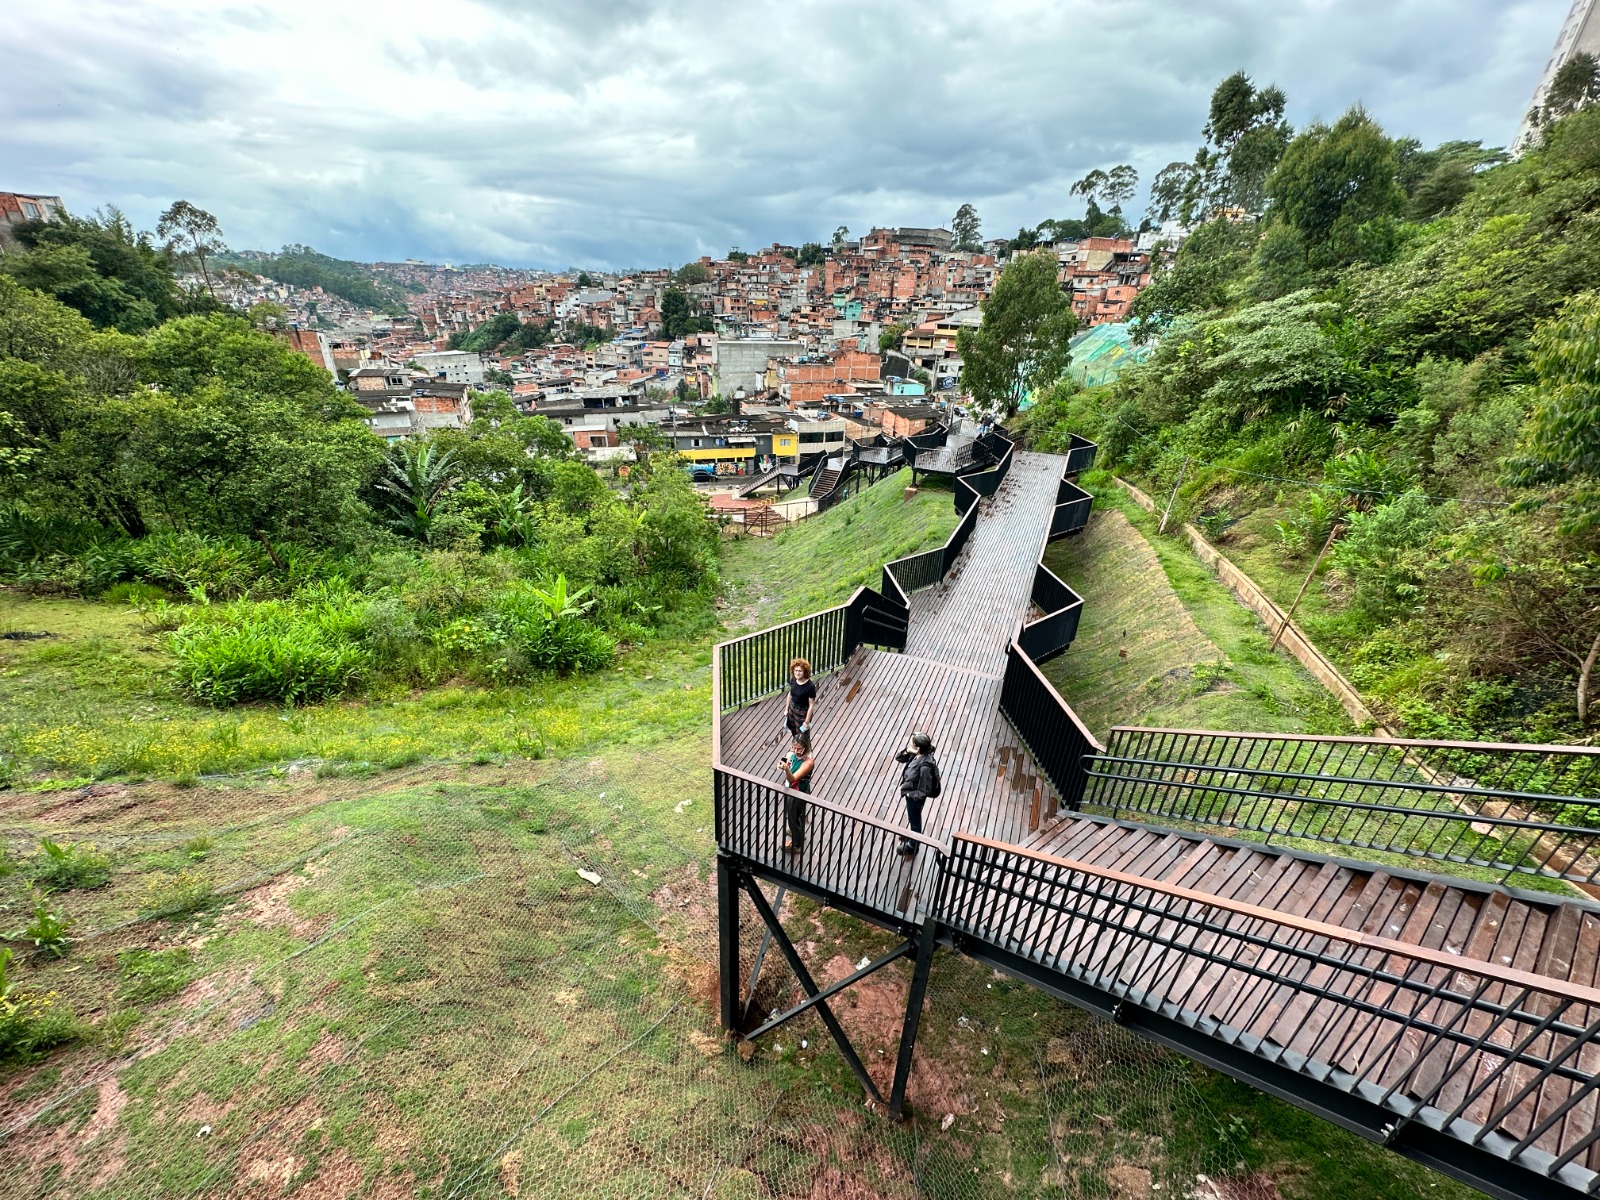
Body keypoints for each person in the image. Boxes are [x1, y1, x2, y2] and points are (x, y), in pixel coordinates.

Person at [894, 732, 938, 856]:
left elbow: (924, 790)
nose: (911, 745)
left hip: (914, 798)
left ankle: (913, 845)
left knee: (915, 820)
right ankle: (912, 836)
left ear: (918, 747)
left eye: (912, 744)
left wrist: (910, 795)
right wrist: (908, 750)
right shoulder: (916, 754)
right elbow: (898, 758)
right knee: (912, 817)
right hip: (910, 792)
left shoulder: (925, 767)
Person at [778, 736, 814, 853]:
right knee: (796, 815)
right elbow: (788, 759)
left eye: (799, 749)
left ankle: (797, 845)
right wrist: (782, 763)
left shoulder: (808, 763)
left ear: (806, 748)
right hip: (792, 790)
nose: (796, 751)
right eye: (793, 748)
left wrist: (786, 769)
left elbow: (793, 778)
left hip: (799, 793)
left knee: (794, 818)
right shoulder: (793, 754)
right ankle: (798, 833)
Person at [785, 658, 816, 741]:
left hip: (802, 713)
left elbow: (811, 705)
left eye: (800, 671)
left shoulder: (810, 686)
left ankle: (806, 753)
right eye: (796, 670)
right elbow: (790, 693)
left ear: (805, 672)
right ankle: (796, 749)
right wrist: (786, 709)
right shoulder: (793, 680)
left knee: (803, 737)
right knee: (794, 731)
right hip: (792, 710)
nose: (797, 673)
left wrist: (806, 722)